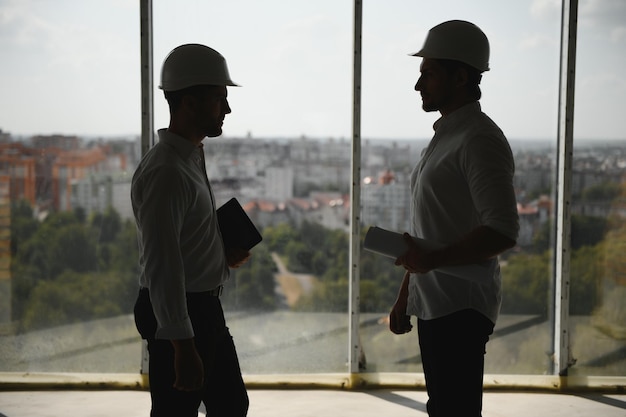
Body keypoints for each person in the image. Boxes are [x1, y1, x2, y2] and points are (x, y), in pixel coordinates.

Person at [390, 20, 519, 417]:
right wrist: (404, 296)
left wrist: (431, 261)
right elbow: (433, 233)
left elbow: (502, 230)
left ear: (460, 76)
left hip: (460, 310)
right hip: (437, 303)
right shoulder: (448, 135)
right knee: (444, 408)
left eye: (427, 74)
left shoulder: (478, 139)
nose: (418, 86)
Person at [132, 43, 250, 417]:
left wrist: (218, 253)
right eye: (219, 99)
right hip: (181, 312)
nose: (227, 109)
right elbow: (162, 266)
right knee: (177, 411)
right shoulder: (166, 172)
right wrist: (182, 347)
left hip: (200, 307)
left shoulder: (188, 156)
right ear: (189, 104)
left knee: (230, 404)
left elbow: (182, 239)